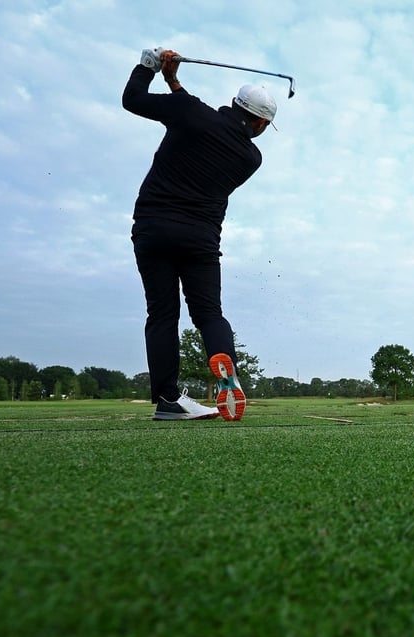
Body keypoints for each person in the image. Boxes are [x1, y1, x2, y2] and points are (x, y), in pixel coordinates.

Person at [122, 48, 275, 421]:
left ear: (234, 104)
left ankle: (168, 400)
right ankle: (229, 377)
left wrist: (150, 65)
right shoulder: (250, 158)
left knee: (161, 314)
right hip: (201, 240)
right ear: (259, 124)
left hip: (153, 228)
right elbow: (198, 118)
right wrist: (174, 83)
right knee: (209, 314)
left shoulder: (190, 113)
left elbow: (133, 101)